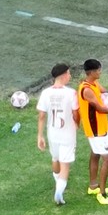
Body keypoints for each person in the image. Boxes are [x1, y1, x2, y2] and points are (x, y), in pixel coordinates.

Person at [77, 58, 108, 203]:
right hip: (95, 130)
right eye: (99, 70)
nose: (101, 72)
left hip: (100, 127)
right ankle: (101, 193)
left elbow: (106, 92)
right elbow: (100, 108)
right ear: (93, 72)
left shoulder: (92, 83)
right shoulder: (87, 90)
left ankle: (93, 185)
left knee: (95, 154)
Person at [36, 63, 76, 205]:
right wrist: (77, 123)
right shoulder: (71, 93)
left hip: (52, 132)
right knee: (65, 164)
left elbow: (41, 116)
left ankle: (58, 181)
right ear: (64, 75)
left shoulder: (46, 93)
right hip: (68, 132)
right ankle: (59, 191)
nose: (70, 76)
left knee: (55, 158)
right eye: (69, 73)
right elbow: (76, 112)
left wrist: (40, 135)